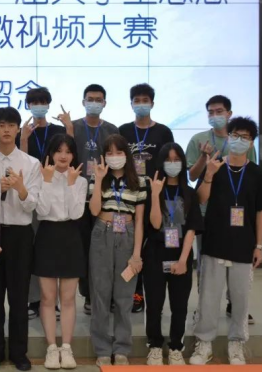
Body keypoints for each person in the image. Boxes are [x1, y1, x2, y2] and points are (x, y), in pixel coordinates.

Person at [190, 118, 262, 367]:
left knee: (240, 298)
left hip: (244, 245)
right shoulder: (215, 166)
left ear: (251, 143)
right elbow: (200, 199)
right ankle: (204, 342)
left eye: (245, 137)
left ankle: (236, 343)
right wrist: (208, 176)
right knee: (208, 297)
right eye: (235, 135)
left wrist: (259, 246)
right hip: (214, 242)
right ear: (228, 137)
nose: (239, 140)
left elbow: (260, 212)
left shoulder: (258, 174)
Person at [186, 96, 258, 323]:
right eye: (210, 112)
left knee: (238, 262)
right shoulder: (198, 139)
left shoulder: (243, 141)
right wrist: (204, 158)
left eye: (219, 111)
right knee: (206, 264)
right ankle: (203, 307)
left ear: (229, 113)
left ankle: (234, 304)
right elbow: (192, 176)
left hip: (237, 213)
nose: (214, 116)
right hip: (207, 212)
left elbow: (251, 175)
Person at [0, 107, 42, 372]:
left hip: (20, 234)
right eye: (1, 125)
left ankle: (19, 352)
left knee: (19, 298)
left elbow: (33, 206)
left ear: (18, 129)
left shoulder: (31, 163)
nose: (6, 130)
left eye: (11, 125)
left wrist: (20, 188)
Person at [89, 135, 147, 367]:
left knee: (124, 296)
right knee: (100, 295)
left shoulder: (139, 181)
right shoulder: (98, 177)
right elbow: (93, 211)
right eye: (109, 153)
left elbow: (140, 220)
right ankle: (102, 349)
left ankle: (122, 348)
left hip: (128, 235)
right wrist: (98, 179)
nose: (114, 157)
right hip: (101, 232)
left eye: (119, 152)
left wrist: (137, 254)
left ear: (126, 154)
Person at [143, 144, 203, 366]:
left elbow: (191, 229)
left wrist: (184, 260)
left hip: (181, 253)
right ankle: (155, 346)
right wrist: (155, 195)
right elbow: (155, 224)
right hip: (155, 253)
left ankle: (176, 347)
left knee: (179, 305)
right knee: (154, 304)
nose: (172, 164)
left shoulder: (189, 193)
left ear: (183, 163)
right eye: (168, 160)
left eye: (177, 159)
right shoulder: (153, 189)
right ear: (161, 163)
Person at [118, 84, 174, 313]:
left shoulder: (163, 132)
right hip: (129, 195)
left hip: (155, 196)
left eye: (145, 100)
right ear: (131, 103)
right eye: (137, 100)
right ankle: (135, 292)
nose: (141, 104)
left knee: (154, 244)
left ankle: (153, 291)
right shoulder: (123, 130)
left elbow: (170, 162)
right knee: (131, 243)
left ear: (152, 103)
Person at [19, 87, 73, 320]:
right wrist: (23, 139)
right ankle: (34, 300)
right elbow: (22, 163)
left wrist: (69, 127)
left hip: (56, 192)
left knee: (53, 249)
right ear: (28, 106)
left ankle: (54, 302)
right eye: (34, 103)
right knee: (33, 248)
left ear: (49, 105)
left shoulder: (58, 131)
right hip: (33, 192)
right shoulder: (25, 131)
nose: (38, 106)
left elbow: (69, 156)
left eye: (42, 102)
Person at [35, 134, 88, 371]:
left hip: (70, 236)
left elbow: (76, 214)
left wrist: (70, 184)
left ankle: (66, 347)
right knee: (47, 297)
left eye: (68, 151)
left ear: (74, 155)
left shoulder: (80, 180)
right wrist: (47, 182)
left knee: (68, 298)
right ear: (51, 153)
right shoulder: (41, 176)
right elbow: (42, 211)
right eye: (58, 151)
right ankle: (51, 347)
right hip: (47, 235)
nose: (63, 156)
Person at [71, 85, 119, 316]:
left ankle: (107, 294)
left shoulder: (111, 130)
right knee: (83, 248)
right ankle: (89, 295)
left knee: (105, 248)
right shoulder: (73, 127)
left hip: (104, 194)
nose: (94, 103)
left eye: (98, 99)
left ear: (104, 103)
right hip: (78, 196)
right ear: (83, 102)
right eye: (90, 99)